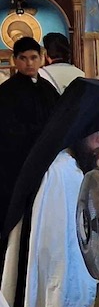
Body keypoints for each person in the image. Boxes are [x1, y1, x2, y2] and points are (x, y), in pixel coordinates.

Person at [0, 77, 99, 307]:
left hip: (78, 286)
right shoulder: (61, 172)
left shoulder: (69, 165)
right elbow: (58, 252)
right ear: (85, 125)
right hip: (64, 296)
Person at [0, 36, 59, 231]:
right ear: (15, 60)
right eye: (23, 58)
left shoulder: (48, 89)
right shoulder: (6, 92)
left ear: (41, 57)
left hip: (47, 163)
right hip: (17, 164)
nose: (29, 63)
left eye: (33, 58)